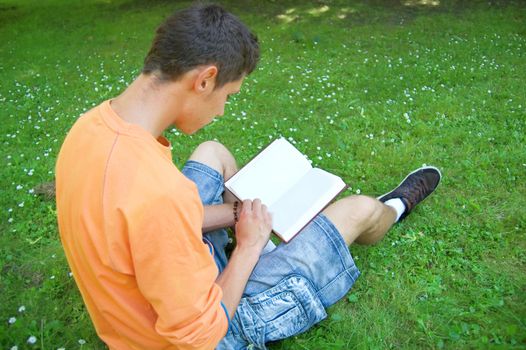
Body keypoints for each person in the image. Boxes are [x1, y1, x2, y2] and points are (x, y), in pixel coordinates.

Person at [55, 4, 441, 350]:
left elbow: (146, 226)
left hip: (160, 286)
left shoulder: (89, 128)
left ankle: (259, 240)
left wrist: (237, 217)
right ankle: (395, 206)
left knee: (213, 151)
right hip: (209, 327)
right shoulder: (159, 195)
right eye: (228, 95)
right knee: (359, 209)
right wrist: (249, 247)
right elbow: (201, 335)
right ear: (205, 79)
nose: (222, 110)